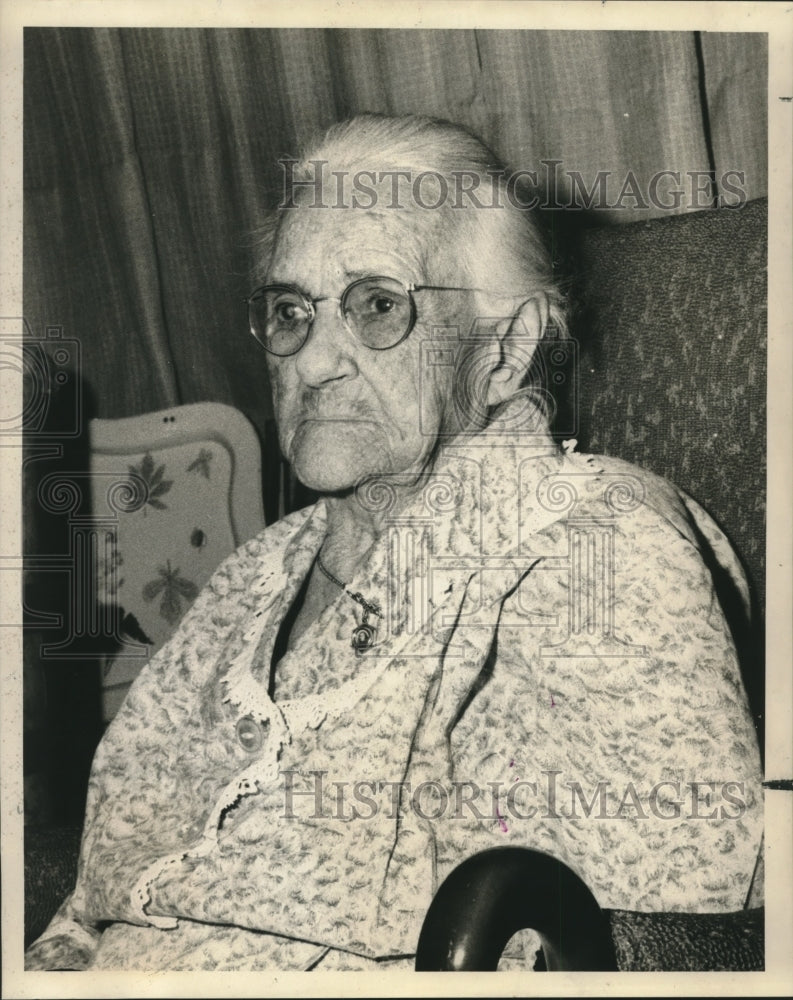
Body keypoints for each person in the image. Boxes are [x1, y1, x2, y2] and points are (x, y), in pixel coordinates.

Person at [25, 113, 763, 972]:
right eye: (290, 311)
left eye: (377, 305)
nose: (309, 362)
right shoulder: (255, 575)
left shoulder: (591, 544)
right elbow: (95, 893)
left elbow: (631, 934)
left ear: (507, 347)